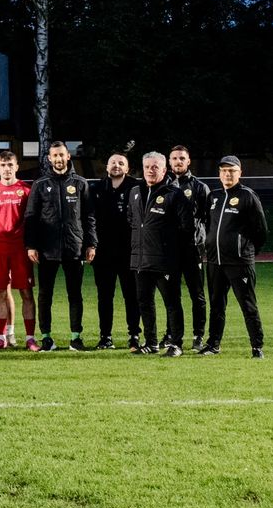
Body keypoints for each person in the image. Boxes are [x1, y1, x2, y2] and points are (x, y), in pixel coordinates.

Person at [24, 142, 96, 352]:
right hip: (47, 249)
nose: (58, 159)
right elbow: (31, 217)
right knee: (45, 295)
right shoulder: (40, 184)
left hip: (74, 247)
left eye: (61, 155)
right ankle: (46, 337)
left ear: (68, 156)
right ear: (49, 158)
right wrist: (31, 245)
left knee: (75, 294)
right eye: (54, 155)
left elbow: (89, 216)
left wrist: (91, 243)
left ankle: (76, 338)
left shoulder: (80, 183)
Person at [200, 156, 267, 358]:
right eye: (224, 170)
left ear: (240, 173)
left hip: (239, 263)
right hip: (215, 261)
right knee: (216, 305)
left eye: (232, 170)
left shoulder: (248, 196)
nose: (227, 174)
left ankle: (257, 347)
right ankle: (213, 344)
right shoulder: (214, 196)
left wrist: (246, 250)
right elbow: (208, 225)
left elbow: (261, 230)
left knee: (247, 305)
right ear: (219, 173)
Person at [127, 152, 193, 356]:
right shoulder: (135, 191)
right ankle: (151, 342)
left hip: (165, 261)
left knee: (172, 303)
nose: (150, 170)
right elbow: (132, 220)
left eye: (155, 167)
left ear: (164, 170)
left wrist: (171, 250)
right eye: (147, 167)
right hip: (140, 260)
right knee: (144, 302)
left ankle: (176, 344)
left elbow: (186, 228)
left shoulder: (175, 194)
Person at [0, 151, 36, 351]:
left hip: (20, 249)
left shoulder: (26, 190)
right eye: (3, 165)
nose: (6, 169)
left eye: (10, 165)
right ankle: (0, 337)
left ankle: (30, 338)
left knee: (26, 292)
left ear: (16, 166)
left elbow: (31, 218)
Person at [89, 152, 139, 350]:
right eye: (113, 162)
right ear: (107, 167)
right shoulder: (96, 188)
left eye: (121, 163)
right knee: (104, 297)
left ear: (127, 168)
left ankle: (134, 335)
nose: (116, 165)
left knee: (132, 295)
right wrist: (91, 244)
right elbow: (90, 219)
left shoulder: (137, 187)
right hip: (103, 253)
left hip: (129, 252)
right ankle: (105, 337)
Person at [167, 145, 210, 350]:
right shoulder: (164, 186)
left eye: (182, 158)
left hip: (193, 249)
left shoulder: (200, 187)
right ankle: (172, 334)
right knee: (171, 295)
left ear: (188, 161)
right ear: (169, 162)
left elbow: (208, 219)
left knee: (197, 295)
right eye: (175, 158)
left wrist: (203, 243)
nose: (178, 161)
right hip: (170, 251)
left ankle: (198, 335)